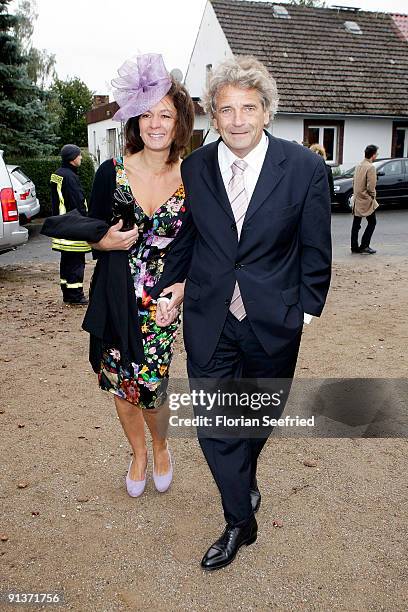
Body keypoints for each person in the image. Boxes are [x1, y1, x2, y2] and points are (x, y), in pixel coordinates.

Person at [152, 56, 332, 570]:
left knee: (258, 416)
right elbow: (193, 237)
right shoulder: (197, 167)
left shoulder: (304, 169)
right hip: (210, 314)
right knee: (214, 420)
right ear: (213, 114)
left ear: (267, 112)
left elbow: (315, 248)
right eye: (225, 109)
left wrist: (306, 310)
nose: (236, 120)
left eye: (248, 108)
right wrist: (174, 287)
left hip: (274, 318)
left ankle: (243, 478)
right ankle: (238, 519)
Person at [88, 54, 194, 497]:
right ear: (134, 119)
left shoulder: (194, 174)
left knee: (153, 382)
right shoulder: (110, 174)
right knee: (119, 380)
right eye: (147, 113)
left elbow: (206, 243)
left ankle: (161, 445)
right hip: (116, 295)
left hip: (162, 304)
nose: (155, 123)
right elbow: (90, 232)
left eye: (165, 114)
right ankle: (138, 453)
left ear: (178, 122)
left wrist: (186, 286)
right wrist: (103, 243)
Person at [50, 144, 91, 305]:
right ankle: (75, 296)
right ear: (72, 158)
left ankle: (67, 293)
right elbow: (77, 202)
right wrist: (86, 221)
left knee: (66, 261)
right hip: (73, 224)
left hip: (61, 224)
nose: (81, 158)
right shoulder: (70, 177)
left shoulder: (57, 174)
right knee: (76, 261)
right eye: (79, 155)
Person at [351, 144, 379, 254]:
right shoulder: (371, 167)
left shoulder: (358, 166)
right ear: (373, 155)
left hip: (357, 199)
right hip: (366, 200)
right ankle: (364, 245)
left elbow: (354, 182)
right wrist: (373, 196)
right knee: (372, 222)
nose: (376, 155)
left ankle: (354, 247)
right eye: (376, 153)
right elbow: (371, 186)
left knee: (356, 224)